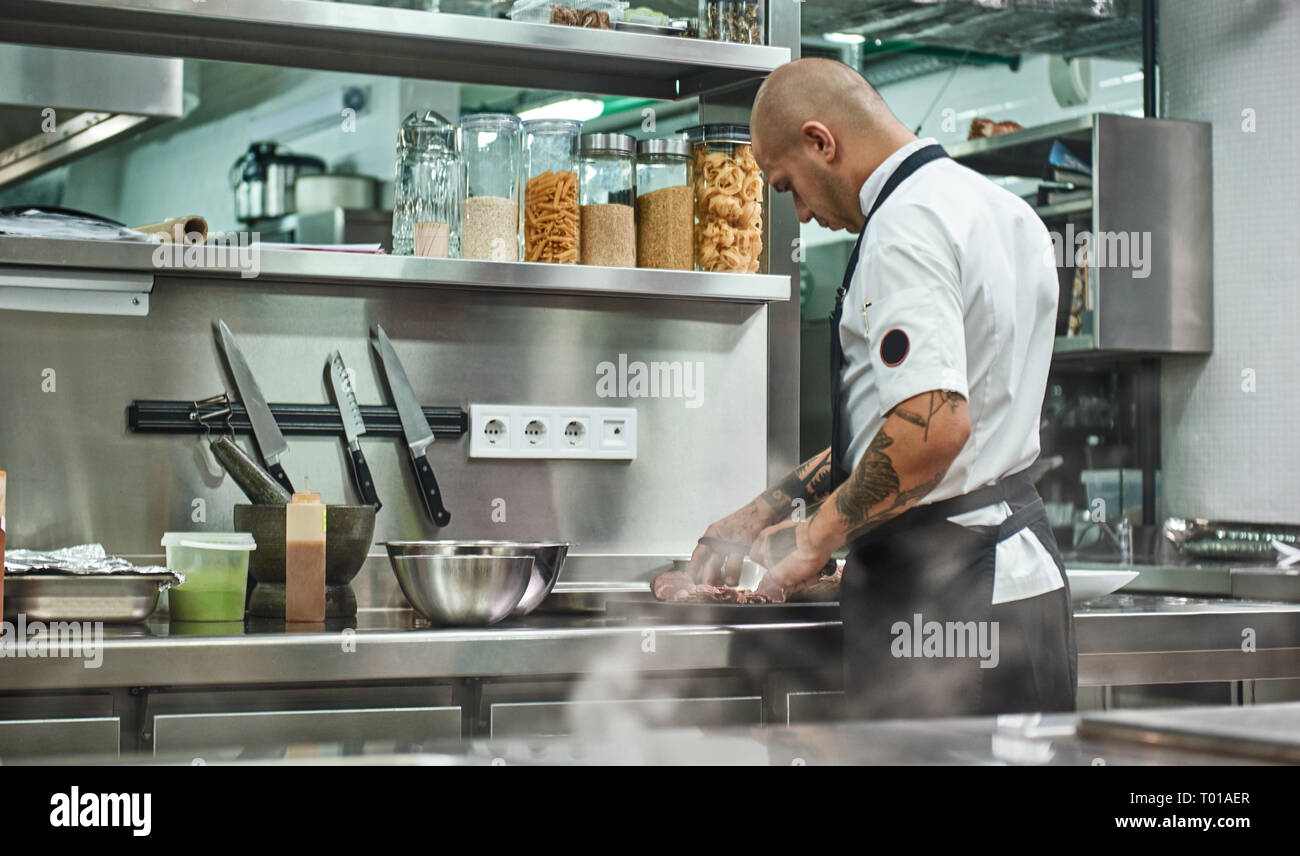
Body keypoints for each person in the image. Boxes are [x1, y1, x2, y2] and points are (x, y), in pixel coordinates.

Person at [687, 58, 1077, 719]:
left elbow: (935, 425)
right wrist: (765, 509)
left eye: (789, 187)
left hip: (953, 596)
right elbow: (907, 424)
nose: (803, 214)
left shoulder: (904, 227)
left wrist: (813, 540)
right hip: (1008, 581)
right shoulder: (1000, 210)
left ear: (821, 141)